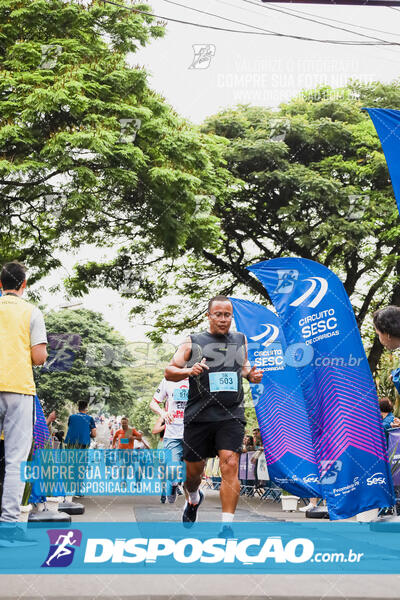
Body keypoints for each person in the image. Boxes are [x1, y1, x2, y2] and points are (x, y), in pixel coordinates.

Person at [165, 295, 263, 528]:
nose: (222, 319)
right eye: (217, 314)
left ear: (231, 316)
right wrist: (189, 371)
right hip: (198, 415)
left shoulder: (240, 339)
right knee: (193, 474)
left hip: (230, 414)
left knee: (229, 465)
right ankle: (193, 498)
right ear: (209, 316)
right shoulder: (193, 341)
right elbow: (170, 371)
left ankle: (226, 526)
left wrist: (251, 375)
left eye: (227, 314)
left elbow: (243, 365)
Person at [0, 262, 48, 537]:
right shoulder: (31, 311)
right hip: (18, 389)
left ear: (0, 284)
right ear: (23, 285)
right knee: (16, 460)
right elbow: (39, 357)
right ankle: (8, 528)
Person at [150, 377, 189, 503]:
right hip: (173, 434)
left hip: (193, 433)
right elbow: (153, 403)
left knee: (193, 472)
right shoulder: (169, 380)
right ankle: (172, 485)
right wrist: (163, 414)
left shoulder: (200, 379)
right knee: (170, 469)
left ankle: (191, 499)